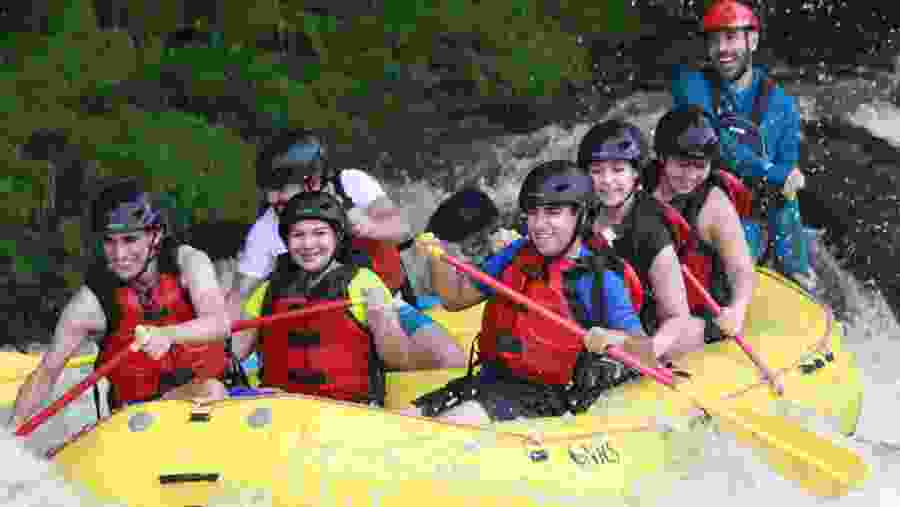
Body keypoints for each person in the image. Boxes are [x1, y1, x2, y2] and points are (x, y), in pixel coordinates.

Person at [405, 160, 648, 425]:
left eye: (553, 212)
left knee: (452, 425)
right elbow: (456, 299)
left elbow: (645, 351)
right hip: (491, 382)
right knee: (406, 420)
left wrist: (615, 339)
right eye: (533, 213)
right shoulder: (515, 254)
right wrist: (437, 256)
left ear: (581, 215)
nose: (539, 224)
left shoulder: (599, 279)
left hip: (550, 397)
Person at [9, 178, 232, 428]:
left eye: (129, 240)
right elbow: (46, 374)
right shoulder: (90, 303)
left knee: (211, 389)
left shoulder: (189, 262)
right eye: (109, 241)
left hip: (211, 401)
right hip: (136, 421)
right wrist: (12, 432)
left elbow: (219, 324)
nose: (119, 255)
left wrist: (168, 334)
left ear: (155, 236)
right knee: (209, 391)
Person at [232, 130, 464, 369]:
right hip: (310, 318)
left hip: (381, 303)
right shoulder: (264, 229)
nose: (272, 198)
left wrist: (367, 226)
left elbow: (401, 229)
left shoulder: (351, 184)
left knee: (450, 359)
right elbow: (239, 297)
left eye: (280, 188)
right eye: (268, 189)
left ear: (311, 181)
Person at [236, 192, 453, 404]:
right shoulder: (267, 291)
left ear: (336, 236)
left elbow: (399, 359)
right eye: (298, 235)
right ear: (287, 240)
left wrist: (383, 322)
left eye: (320, 233)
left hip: (347, 413)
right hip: (284, 411)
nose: (308, 244)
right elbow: (235, 354)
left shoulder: (364, 283)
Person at [670, 0, 815, 290]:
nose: (722, 49)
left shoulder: (782, 105)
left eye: (731, 37)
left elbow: (786, 177)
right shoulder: (691, 85)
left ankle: (799, 278)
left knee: (784, 203)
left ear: (753, 40)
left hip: (752, 213)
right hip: (697, 203)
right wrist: (772, 172)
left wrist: (781, 177)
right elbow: (714, 143)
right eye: (714, 40)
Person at [650, 105, 783, 392]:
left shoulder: (713, 206)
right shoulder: (638, 186)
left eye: (700, 166)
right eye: (682, 164)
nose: (690, 175)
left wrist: (737, 309)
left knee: (669, 339)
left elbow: (741, 268)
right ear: (661, 158)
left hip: (704, 312)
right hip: (654, 299)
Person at [577, 120, 706, 364]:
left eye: (617, 170)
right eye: (596, 171)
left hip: (653, 326)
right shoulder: (585, 213)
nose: (606, 181)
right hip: (609, 317)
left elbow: (677, 316)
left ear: (635, 173)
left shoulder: (651, 230)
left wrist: (647, 351)